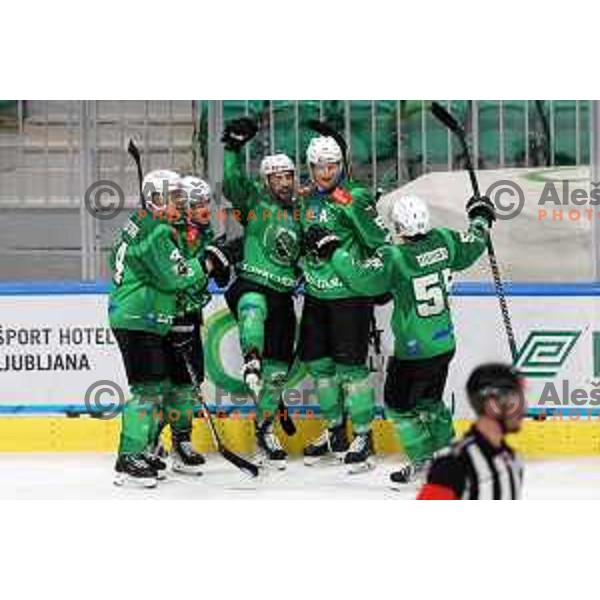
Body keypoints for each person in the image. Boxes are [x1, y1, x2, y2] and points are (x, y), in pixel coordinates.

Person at [315, 193, 495, 483]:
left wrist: (333, 250)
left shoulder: (395, 256)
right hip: (444, 343)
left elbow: (361, 279)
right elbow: (475, 243)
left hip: (414, 351)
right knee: (431, 403)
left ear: (398, 226)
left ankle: (423, 459)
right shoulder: (446, 241)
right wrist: (480, 217)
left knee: (398, 407)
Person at [108, 170, 229, 486]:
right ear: (155, 199)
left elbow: (119, 261)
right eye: (173, 197)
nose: (179, 202)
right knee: (147, 392)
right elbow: (176, 276)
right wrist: (208, 264)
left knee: (157, 389)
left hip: (140, 316)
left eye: (179, 196)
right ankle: (129, 458)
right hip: (139, 318)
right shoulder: (158, 231)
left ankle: (142, 451)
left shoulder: (139, 222)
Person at [299, 134, 390, 473]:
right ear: (310, 167)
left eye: (332, 165)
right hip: (315, 297)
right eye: (320, 166)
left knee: (351, 371)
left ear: (342, 165)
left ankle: (364, 438)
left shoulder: (355, 198)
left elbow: (382, 243)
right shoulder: (305, 200)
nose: (326, 172)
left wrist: (381, 282)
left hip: (349, 298)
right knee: (321, 369)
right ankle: (336, 432)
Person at [221, 117, 302, 469]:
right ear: (266, 180)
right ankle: (251, 357)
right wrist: (233, 150)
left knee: (277, 375)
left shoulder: (303, 211)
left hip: (284, 296)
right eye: (277, 177)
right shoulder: (253, 203)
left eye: (289, 176)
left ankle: (264, 429)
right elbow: (232, 183)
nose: (284, 183)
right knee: (252, 307)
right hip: (253, 284)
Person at [417, 363, 525, 500]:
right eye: (515, 400)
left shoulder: (513, 460)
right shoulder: (452, 464)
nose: (524, 407)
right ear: (492, 405)